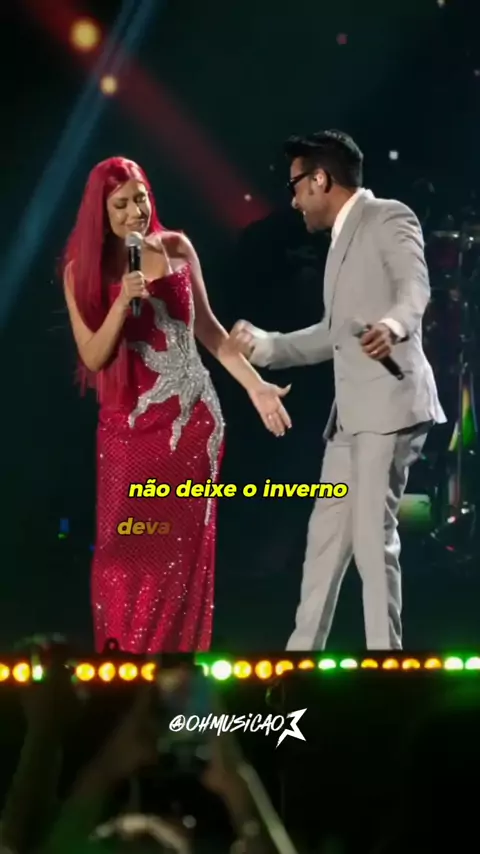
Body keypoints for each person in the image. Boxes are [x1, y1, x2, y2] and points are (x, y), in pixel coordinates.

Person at [62, 156, 291, 654]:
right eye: (121, 205)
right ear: (100, 212)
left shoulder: (176, 248)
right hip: (127, 431)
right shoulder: (81, 271)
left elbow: (210, 331)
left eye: (140, 198)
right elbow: (94, 356)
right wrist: (121, 302)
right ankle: (124, 671)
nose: (135, 212)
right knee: (120, 557)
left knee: (178, 560)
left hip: (191, 424)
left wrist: (255, 387)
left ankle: (172, 672)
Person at [228, 130, 446, 650]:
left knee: (372, 540)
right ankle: (301, 657)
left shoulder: (389, 217)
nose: (293, 200)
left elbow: (415, 289)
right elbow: (334, 333)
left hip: (390, 406)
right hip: (350, 417)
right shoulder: (339, 240)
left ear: (321, 180)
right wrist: (267, 345)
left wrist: (392, 325)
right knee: (324, 543)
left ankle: (386, 663)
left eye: (296, 186)